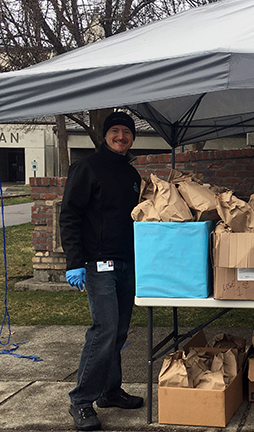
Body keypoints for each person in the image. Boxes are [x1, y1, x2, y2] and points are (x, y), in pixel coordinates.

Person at [60, 111, 143, 431]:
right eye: (115, 131)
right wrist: (74, 262)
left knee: (120, 333)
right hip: (97, 264)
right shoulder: (87, 167)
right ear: (105, 135)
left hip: (127, 262)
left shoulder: (132, 174)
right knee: (105, 329)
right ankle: (81, 400)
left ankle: (110, 391)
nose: (121, 137)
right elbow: (70, 216)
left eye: (126, 132)